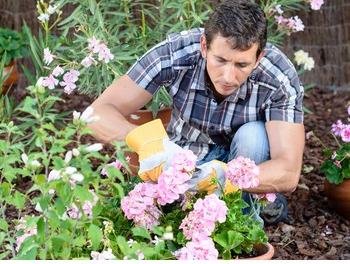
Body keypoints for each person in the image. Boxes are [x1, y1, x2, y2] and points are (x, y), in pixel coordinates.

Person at [87, 0, 305, 225]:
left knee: (253, 134)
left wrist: (223, 176)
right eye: (220, 60)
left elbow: (288, 171)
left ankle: (241, 225)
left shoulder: (278, 77)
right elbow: (96, 113)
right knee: (155, 221)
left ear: (258, 58)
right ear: (204, 46)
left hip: (243, 163)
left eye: (241, 65)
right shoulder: (176, 53)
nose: (229, 77)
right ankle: (259, 205)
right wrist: (150, 145)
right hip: (183, 158)